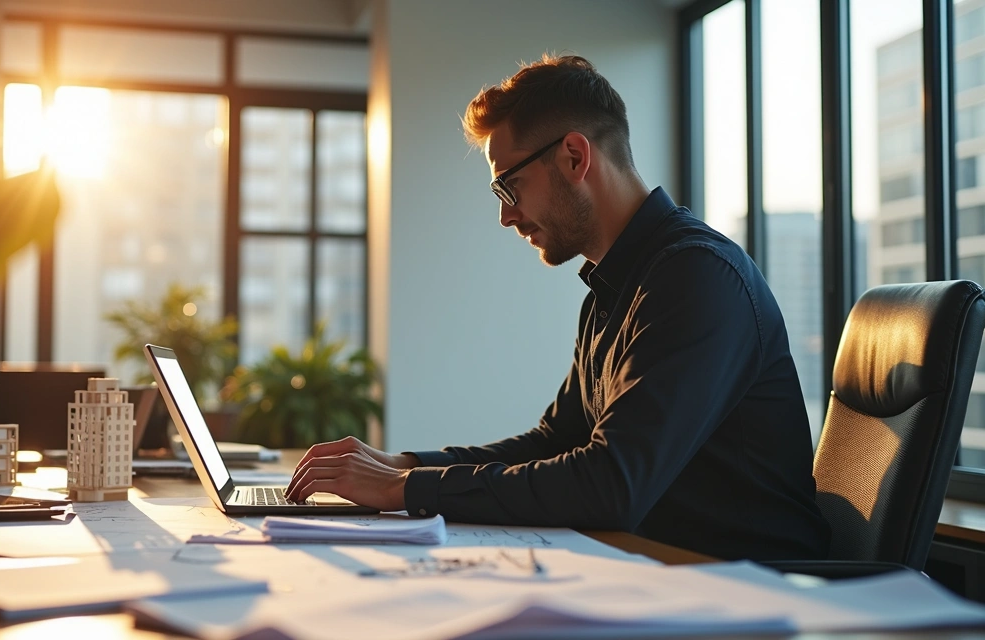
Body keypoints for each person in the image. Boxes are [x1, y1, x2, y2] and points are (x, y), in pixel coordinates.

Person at [284, 54, 830, 561]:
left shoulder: (698, 277)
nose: (506, 216)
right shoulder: (614, 289)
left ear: (574, 156)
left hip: (755, 595)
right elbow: (555, 441)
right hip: (661, 575)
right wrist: (403, 466)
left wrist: (404, 490)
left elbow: (611, 484)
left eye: (509, 187)